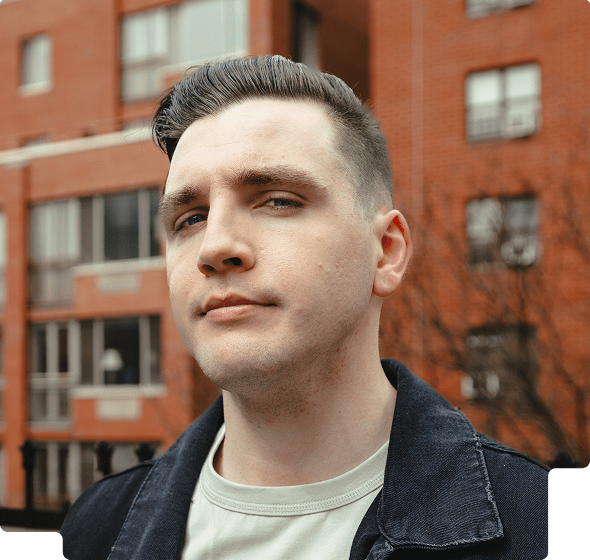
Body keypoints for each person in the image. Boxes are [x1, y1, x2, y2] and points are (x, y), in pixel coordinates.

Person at [60, 55, 548, 560]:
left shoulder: (550, 532)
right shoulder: (94, 530)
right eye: (190, 218)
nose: (213, 247)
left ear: (386, 251)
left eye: (277, 200)